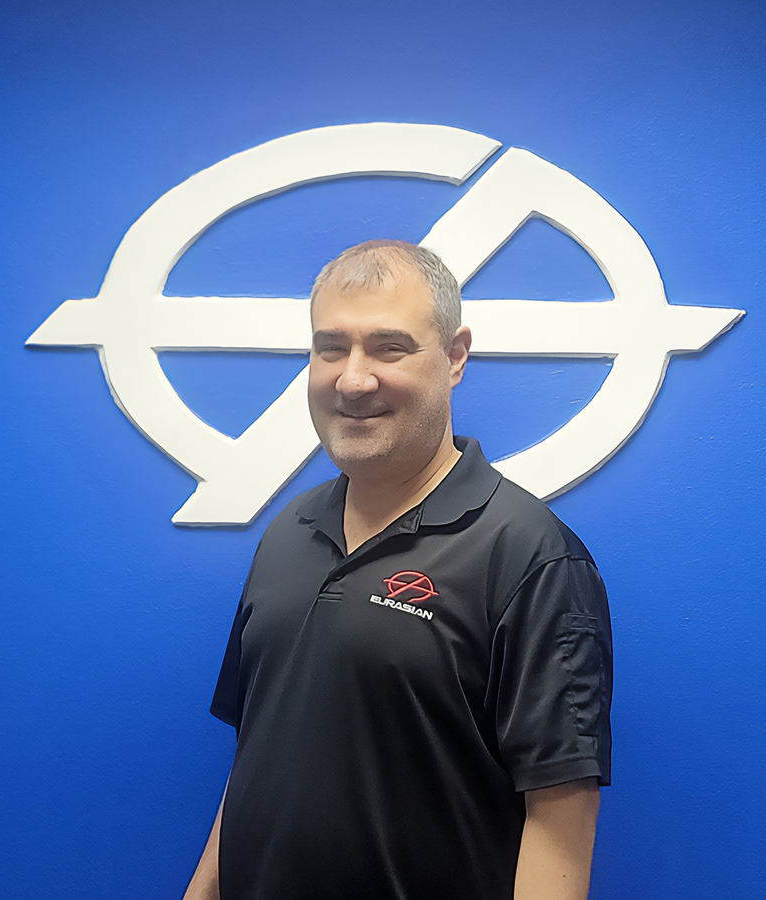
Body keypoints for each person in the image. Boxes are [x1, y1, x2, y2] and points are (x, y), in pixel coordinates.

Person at [183, 240, 612, 900]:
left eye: (389, 347)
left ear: (455, 356)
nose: (353, 379)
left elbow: (559, 827)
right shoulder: (288, 533)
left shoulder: (529, 556)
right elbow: (256, 758)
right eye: (331, 347)